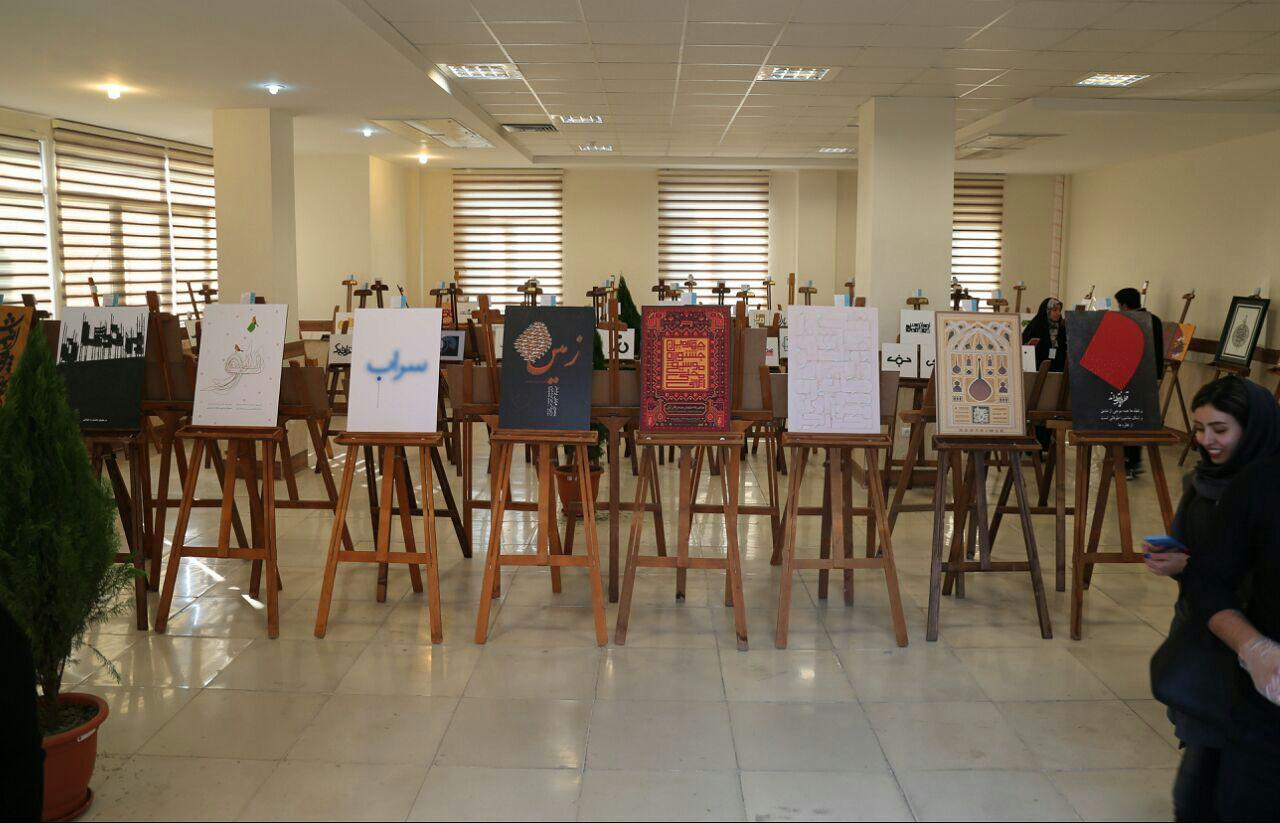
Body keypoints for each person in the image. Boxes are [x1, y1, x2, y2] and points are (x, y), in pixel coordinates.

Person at [1144, 376, 1280, 820]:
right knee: (1204, 777)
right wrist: (1177, 562)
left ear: (1253, 428)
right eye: (1200, 429)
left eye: (1220, 430)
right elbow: (1208, 573)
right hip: (1211, 641)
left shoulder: (1261, 487)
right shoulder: (1204, 481)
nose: (1206, 441)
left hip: (1252, 657)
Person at [1115, 287, 1164, 480]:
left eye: (1119, 306)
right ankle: (1134, 462)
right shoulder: (1155, 320)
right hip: (1148, 378)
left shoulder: (1129, 321)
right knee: (1138, 420)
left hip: (1129, 378)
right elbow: (1159, 352)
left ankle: (1126, 463)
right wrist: (1157, 376)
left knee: (1125, 420)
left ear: (1125, 306)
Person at [1022, 297, 1067, 452]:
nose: (1057, 313)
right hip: (1038, 374)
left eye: (1059, 310)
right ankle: (1034, 444)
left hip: (1056, 374)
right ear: (1046, 311)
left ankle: (1047, 444)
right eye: (1054, 310)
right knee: (1037, 408)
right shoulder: (1036, 326)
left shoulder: (1063, 328)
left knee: (1051, 408)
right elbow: (1025, 347)